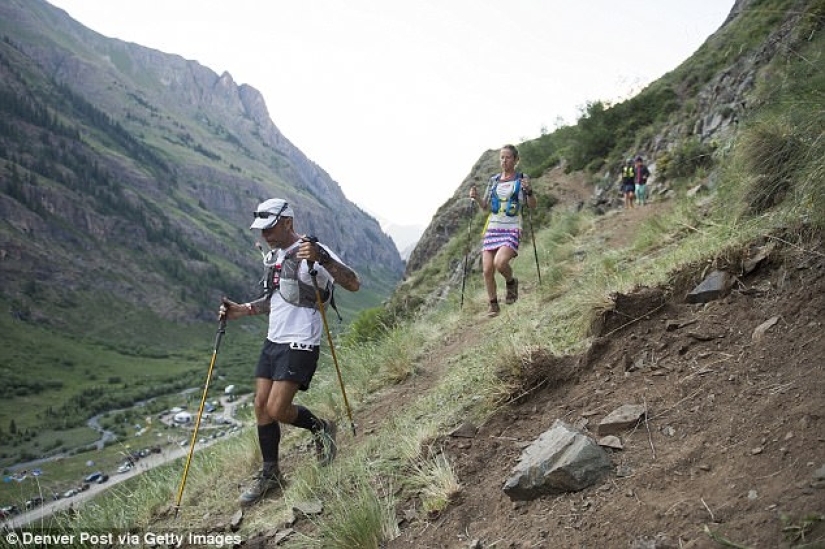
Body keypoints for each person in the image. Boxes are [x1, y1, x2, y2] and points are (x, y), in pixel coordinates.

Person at [219, 198, 360, 506]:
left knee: (278, 409)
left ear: (287, 223)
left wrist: (323, 257)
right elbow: (278, 298)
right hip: (274, 339)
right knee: (260, 405)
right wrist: (243, 310)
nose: (264, 235)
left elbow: (353, 283)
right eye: (261, 230)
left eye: (269, 228)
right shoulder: (276, 255)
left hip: (301, 340)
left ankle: (322, 428)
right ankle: (271, 474)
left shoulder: (312, 249)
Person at [469, 145, 537, 317]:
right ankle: (493, 305)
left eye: (507, 157)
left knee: (500, 263)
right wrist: (476, 198)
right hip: (493, 228)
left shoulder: (521, 179)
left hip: (512, 228)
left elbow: (532, 205)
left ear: (515, 160)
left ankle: (511, 283)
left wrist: (529, 191)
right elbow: (485, 207)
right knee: (486, 270)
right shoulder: (494, 181)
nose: (504, 161)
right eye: (501, 157)